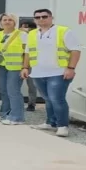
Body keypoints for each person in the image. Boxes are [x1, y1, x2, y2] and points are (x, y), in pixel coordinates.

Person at [22, 9, 81, 137]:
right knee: (47, 99)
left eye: (44, 16)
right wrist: (25, 67)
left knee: (57, 99)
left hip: (58, 72)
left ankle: (62, 126)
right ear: (34, 20)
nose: (41, 19)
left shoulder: (63, 31)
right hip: (38, 72)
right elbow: (27, 52)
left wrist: (71, 68)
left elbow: (75, 51)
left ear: (51, 17)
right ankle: (50, 123)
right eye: (37, 17)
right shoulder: (32, 34)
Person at [0, 13, 28, 125]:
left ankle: (17, 117)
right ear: (0, 22)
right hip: (0, 67)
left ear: (15, 22)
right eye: (5, 20)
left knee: (13, 91)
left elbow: (27, 53)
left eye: (10, 20)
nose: (7, 22)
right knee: (3, 91)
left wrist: (25, 67)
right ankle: (4, 113)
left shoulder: (22, 35)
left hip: (16, 67)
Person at [20, 20, 39, 111]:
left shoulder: (36, 36)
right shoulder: (18, 36)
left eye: (27, 27)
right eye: (23, 27)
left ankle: (31, 104)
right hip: (18, 64)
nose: (24, 29)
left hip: (31, 65)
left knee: (32, 86)